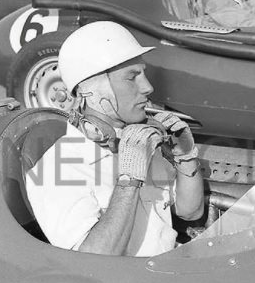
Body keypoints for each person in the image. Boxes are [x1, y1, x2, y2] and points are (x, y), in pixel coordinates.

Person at [26, 21, 204, 256]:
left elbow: (190, 212)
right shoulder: (57, 169)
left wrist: (186, 157)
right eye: (132, 77)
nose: (148, 87)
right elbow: (92, 260)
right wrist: (129, 181)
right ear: (95, 90)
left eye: (144, 74)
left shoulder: (138, 141)